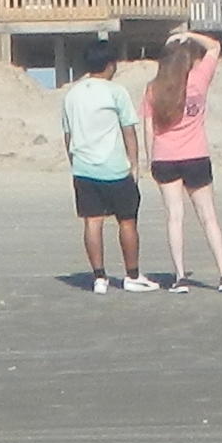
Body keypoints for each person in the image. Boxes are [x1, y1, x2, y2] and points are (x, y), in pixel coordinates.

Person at [57, 42, 153, 290]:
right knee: (127, 221)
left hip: (83, 168)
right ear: (110, 65)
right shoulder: (116, 92)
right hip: (114, 168)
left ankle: (99, 277)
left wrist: (73, 161)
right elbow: (128, 130)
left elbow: (68, 135)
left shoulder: (72, 95)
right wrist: (135, 163)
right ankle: (132, 276)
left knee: (93, 221)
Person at [143, 29, 222, 288]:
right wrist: (188, 34)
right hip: (195, 154)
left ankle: (180, 276)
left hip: (165, 157)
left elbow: (148, 128)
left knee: (174, 217)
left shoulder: (154, 87)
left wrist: (151, 159)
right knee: (208, 217)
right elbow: (215, 47)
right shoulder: (198, 79)